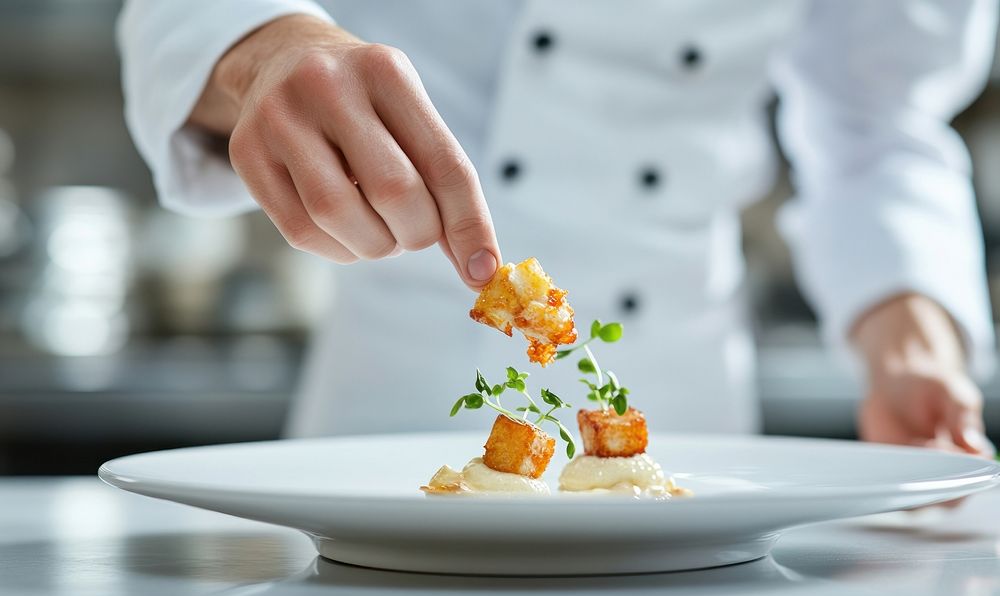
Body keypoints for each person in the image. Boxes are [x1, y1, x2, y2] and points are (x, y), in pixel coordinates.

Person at [118, 0, 997, 456]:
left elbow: (877, 118)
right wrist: (266, 46)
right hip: (391, 403)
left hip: (690, 418)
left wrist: (913, 338)